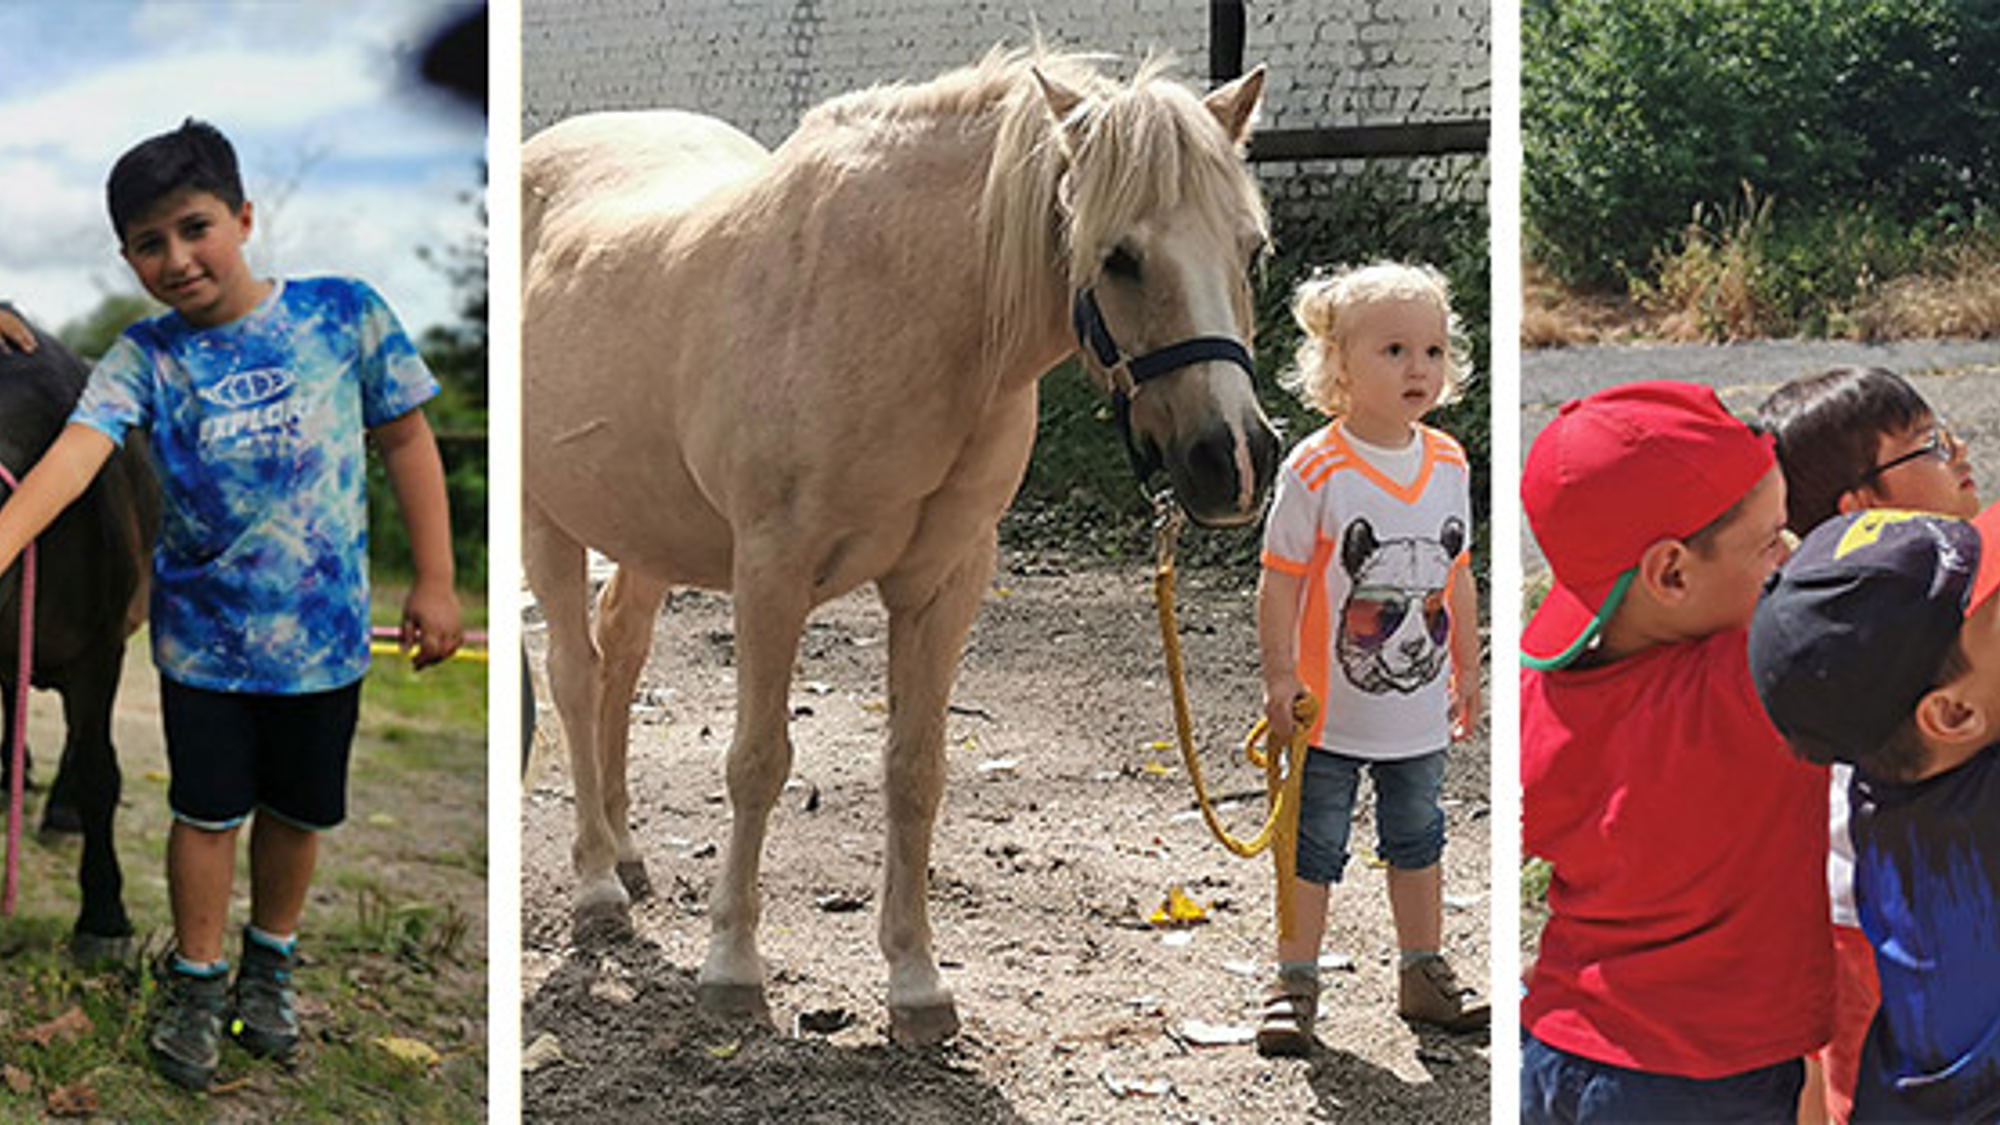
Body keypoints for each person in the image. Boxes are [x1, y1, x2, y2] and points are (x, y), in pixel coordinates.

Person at [0, 119, 462, 1090]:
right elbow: (76, 458)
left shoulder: (346, 315)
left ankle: (270, 969)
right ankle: (199, 983)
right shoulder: (143, 359)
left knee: (299, 814)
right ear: (127, 257)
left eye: (195, 228)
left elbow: (410, 441)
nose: (177, 259)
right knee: (203, 816)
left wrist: (435, 578)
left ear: (244, 218)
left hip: (324, 643)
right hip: (202, 645)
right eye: (148, 244)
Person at [1519, 380, 1832, 1121]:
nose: (1788, 556)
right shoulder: (1757, 680)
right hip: (1705, 1079)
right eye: (1769, 542)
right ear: (1671, 573)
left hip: (1557, 1047)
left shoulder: (1539, 701)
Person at [1252, 261, 1485, 1057]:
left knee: (1418, 836)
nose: (1418, 367)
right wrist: (1281, 677)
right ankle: (1294, 981)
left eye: (1432, 349)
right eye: (1393, 350)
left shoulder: (1449, 462)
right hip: (1328, 714)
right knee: (1310, 845)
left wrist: (1468, 672)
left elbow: (1458, 576)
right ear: (1338, 366)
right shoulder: (1317, 468)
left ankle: (1423, 970)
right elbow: (1279, 582)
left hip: (1415, 716)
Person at [1756, 367, 1980, 1124]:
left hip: (1877, 900)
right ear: (1860, 507)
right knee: (1872, 1081)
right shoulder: (1900, 618)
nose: (1958, 449)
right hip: (1869, 913)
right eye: (1925, 445)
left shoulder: (1930, 579)